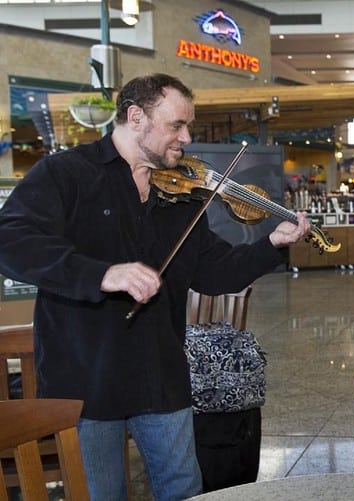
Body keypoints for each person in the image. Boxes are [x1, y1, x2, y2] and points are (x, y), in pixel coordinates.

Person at [0, 73, 312, 501]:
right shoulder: (66, 173)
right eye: (175, 125)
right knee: (101, 494)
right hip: (88, 381)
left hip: (161, 376)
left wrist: (272, 245)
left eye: (188, 126)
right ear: (135, 117)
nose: (185, 137)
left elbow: (214, 271)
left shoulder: (180, 195)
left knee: (185, 490)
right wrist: (101, 274)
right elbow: (12, 240)